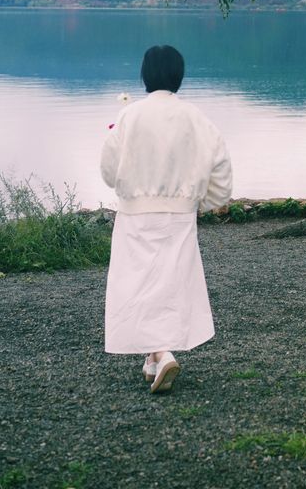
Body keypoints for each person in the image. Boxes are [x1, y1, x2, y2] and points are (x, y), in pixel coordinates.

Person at [100, 44, 232, 394]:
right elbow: (220, 165)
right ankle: (154, 358)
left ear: (145, 75)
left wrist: (125, 184)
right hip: (179, 215)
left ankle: (160, 351)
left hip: (135, 214)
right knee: (170, 283)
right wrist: (209, 202)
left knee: (137, 282)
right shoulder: (195, 117)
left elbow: (109, 170)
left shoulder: (131, 116)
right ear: (179, 76)